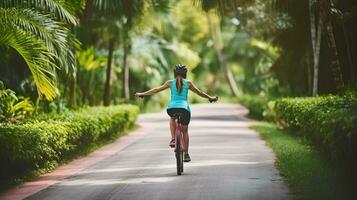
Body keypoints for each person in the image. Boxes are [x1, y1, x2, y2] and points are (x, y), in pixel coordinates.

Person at [135, 64, 218, 162]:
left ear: (174, 73)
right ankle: (186, 154)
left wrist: (142, 94)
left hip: (172, 109)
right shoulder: (188, 83)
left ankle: (173, 139)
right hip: (184, 109)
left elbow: (156, 90)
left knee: (172, 118)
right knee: (185, 131)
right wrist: (210, 98)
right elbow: (199, 92)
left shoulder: (170, 83)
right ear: (185, 74)